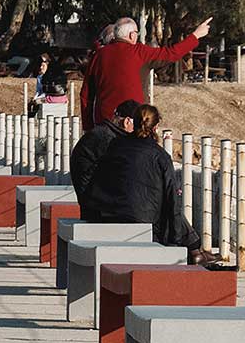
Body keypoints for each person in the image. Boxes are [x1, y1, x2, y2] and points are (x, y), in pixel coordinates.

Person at [81, 103, 200, 251]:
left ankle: (195, 248)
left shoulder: (114, 145)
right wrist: (175, 243)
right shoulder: (160, 156)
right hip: (144, 222)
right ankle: (195, 248)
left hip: (108, 214)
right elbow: (172, 201)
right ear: (156, 128)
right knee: (166, 206)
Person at [79, 16, 212, 127]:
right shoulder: (140, 52)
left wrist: (88, 126)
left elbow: (86, 95)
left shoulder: (99, 55)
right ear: (132, 35)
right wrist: (196, 35)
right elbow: (171, 53)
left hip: (104, 122)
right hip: (133, 121)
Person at [71, 99, 139, 203]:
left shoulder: (103, 133)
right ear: (127, 122)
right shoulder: (109, 140)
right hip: (97, 203)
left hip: (93, 197)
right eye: (138, 124)